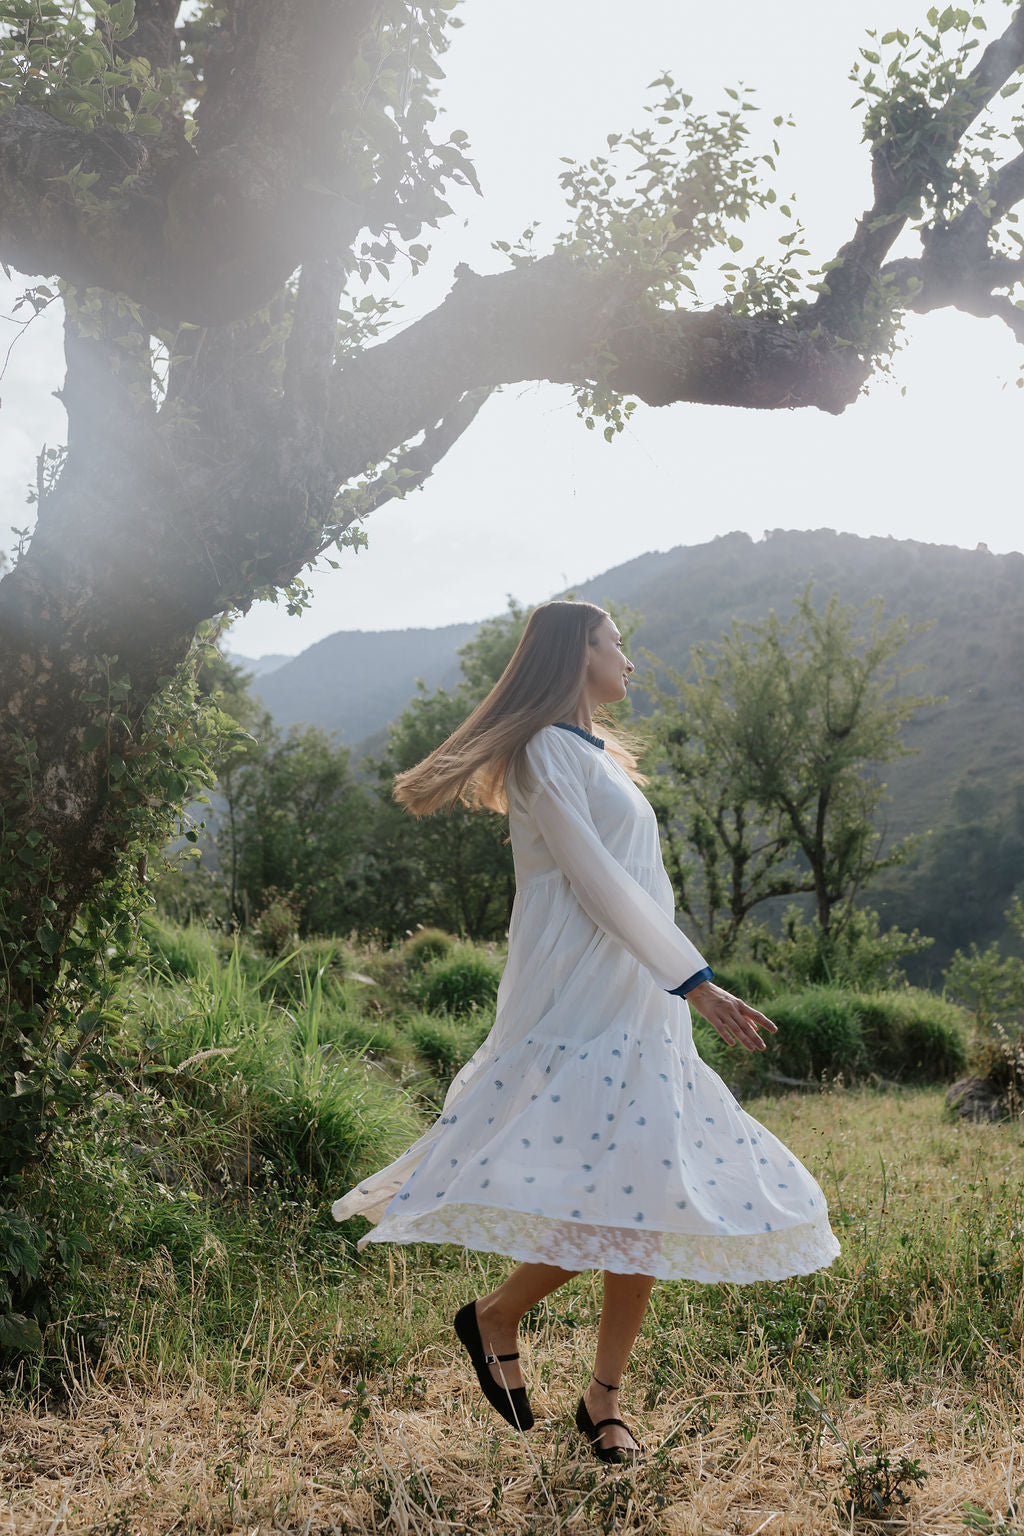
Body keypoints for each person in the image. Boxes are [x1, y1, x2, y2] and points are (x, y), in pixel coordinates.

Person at [332, 600, 839, 1463]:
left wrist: (682, 985)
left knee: (645, 1188)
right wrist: (700, 983)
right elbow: (601, 885)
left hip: (643, 1003)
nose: (629, 661)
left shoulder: (601, 759)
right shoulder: (541, 755)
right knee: (619, 1189)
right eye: (618, 645)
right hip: (582, 1005)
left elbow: (640, 890)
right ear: (579, 654)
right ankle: (497, 1315)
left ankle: (602, 1398)